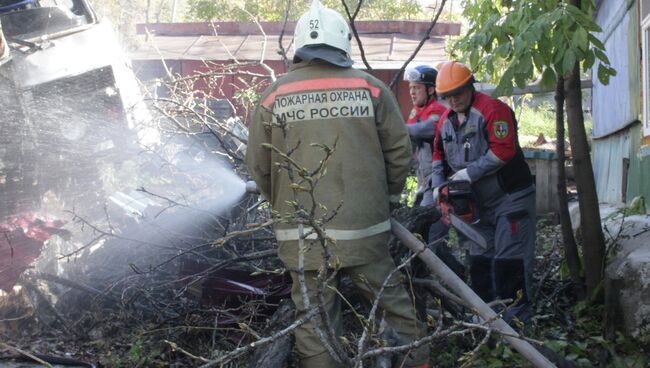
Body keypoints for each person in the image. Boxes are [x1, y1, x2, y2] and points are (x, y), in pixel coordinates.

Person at [245, 1, 429, 367]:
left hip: (302, 235)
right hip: (366, 228)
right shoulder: (372, 90)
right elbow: (398, 152)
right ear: (342, 43)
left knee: (315, 325)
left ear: (299, 45)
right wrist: (387, 198)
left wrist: (279, 204)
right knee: (393, 308)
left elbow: (259, 166)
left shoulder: (273, 96)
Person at [431, 61, 536, 322]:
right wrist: (438, 186)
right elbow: (438, 154)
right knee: (479, 255)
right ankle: (485, 316)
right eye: (448, 96)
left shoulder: (492, 110)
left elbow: (503, 150)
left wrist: (469, 173)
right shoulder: (445, 120)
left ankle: (516, 321)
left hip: (509, 196)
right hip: (476, 202)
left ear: (470, 87)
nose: (454, 100)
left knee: (509, 257)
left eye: (458, 93)